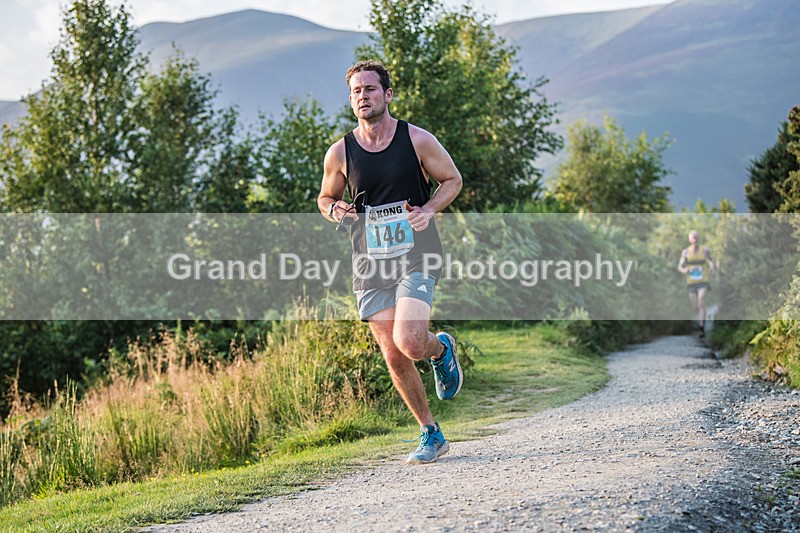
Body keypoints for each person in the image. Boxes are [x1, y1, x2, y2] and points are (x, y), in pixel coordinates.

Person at [317, 60, 464, 464]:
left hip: (417, 253)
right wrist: (336, 211)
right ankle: (430, 433)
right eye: (355, 91)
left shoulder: (416, 140)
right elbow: (325, 198)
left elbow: (452, 180)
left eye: (369, 89)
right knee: (393, 353)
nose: (362, 96)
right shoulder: (340, 151)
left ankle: (440, 350)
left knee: (411, 341)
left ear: (387, 94)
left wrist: (430, 209)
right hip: (369, 263)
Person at [678, 230, 716, 337]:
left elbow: (710, 261)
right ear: (689, 239)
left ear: (698, 238)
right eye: (692, 237)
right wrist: (684, 270)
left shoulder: (705, 250)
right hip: (691, 281)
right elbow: (680, 266)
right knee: (695, 306)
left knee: (701, 300)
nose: (694, 238)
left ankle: (701, 327)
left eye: (695, 236)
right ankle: (700, 317)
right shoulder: (685, 252)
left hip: (703, 281)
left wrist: (713, 269)